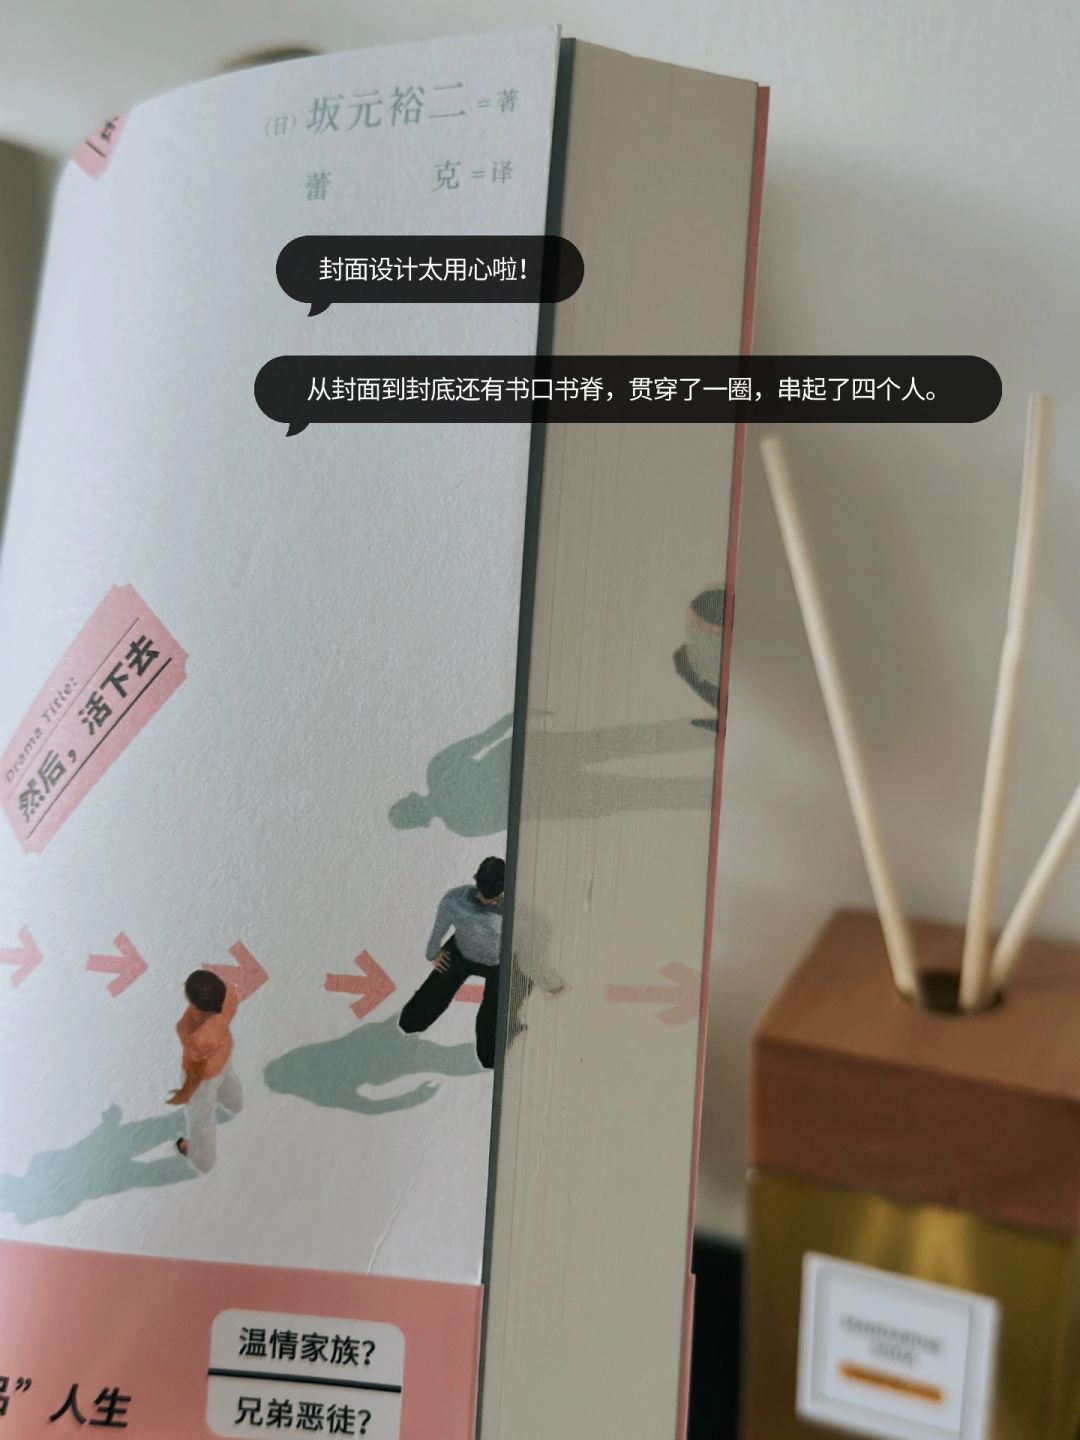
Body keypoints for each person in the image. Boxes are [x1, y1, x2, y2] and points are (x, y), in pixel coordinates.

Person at [398, 857, 504, 1068]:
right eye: (483, 896)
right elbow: (439, 928)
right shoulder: (456, 900)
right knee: (410, 1021)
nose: (487, 902)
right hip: (461, 952)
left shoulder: (514, 908)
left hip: (497, 964)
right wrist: (432, 954)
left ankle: (490, 1053)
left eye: (492, 899)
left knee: (489, 1053)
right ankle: (414, 1021)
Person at [167, 969, 243, 1173]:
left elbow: (196, 1070)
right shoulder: (229, 994)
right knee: (228, 1080)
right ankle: (234, 1104)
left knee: (201, 1118)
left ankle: (202, 1160)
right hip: (223, 1055)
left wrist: (184, 1093)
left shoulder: (192, 1033)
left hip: (205, 1077)